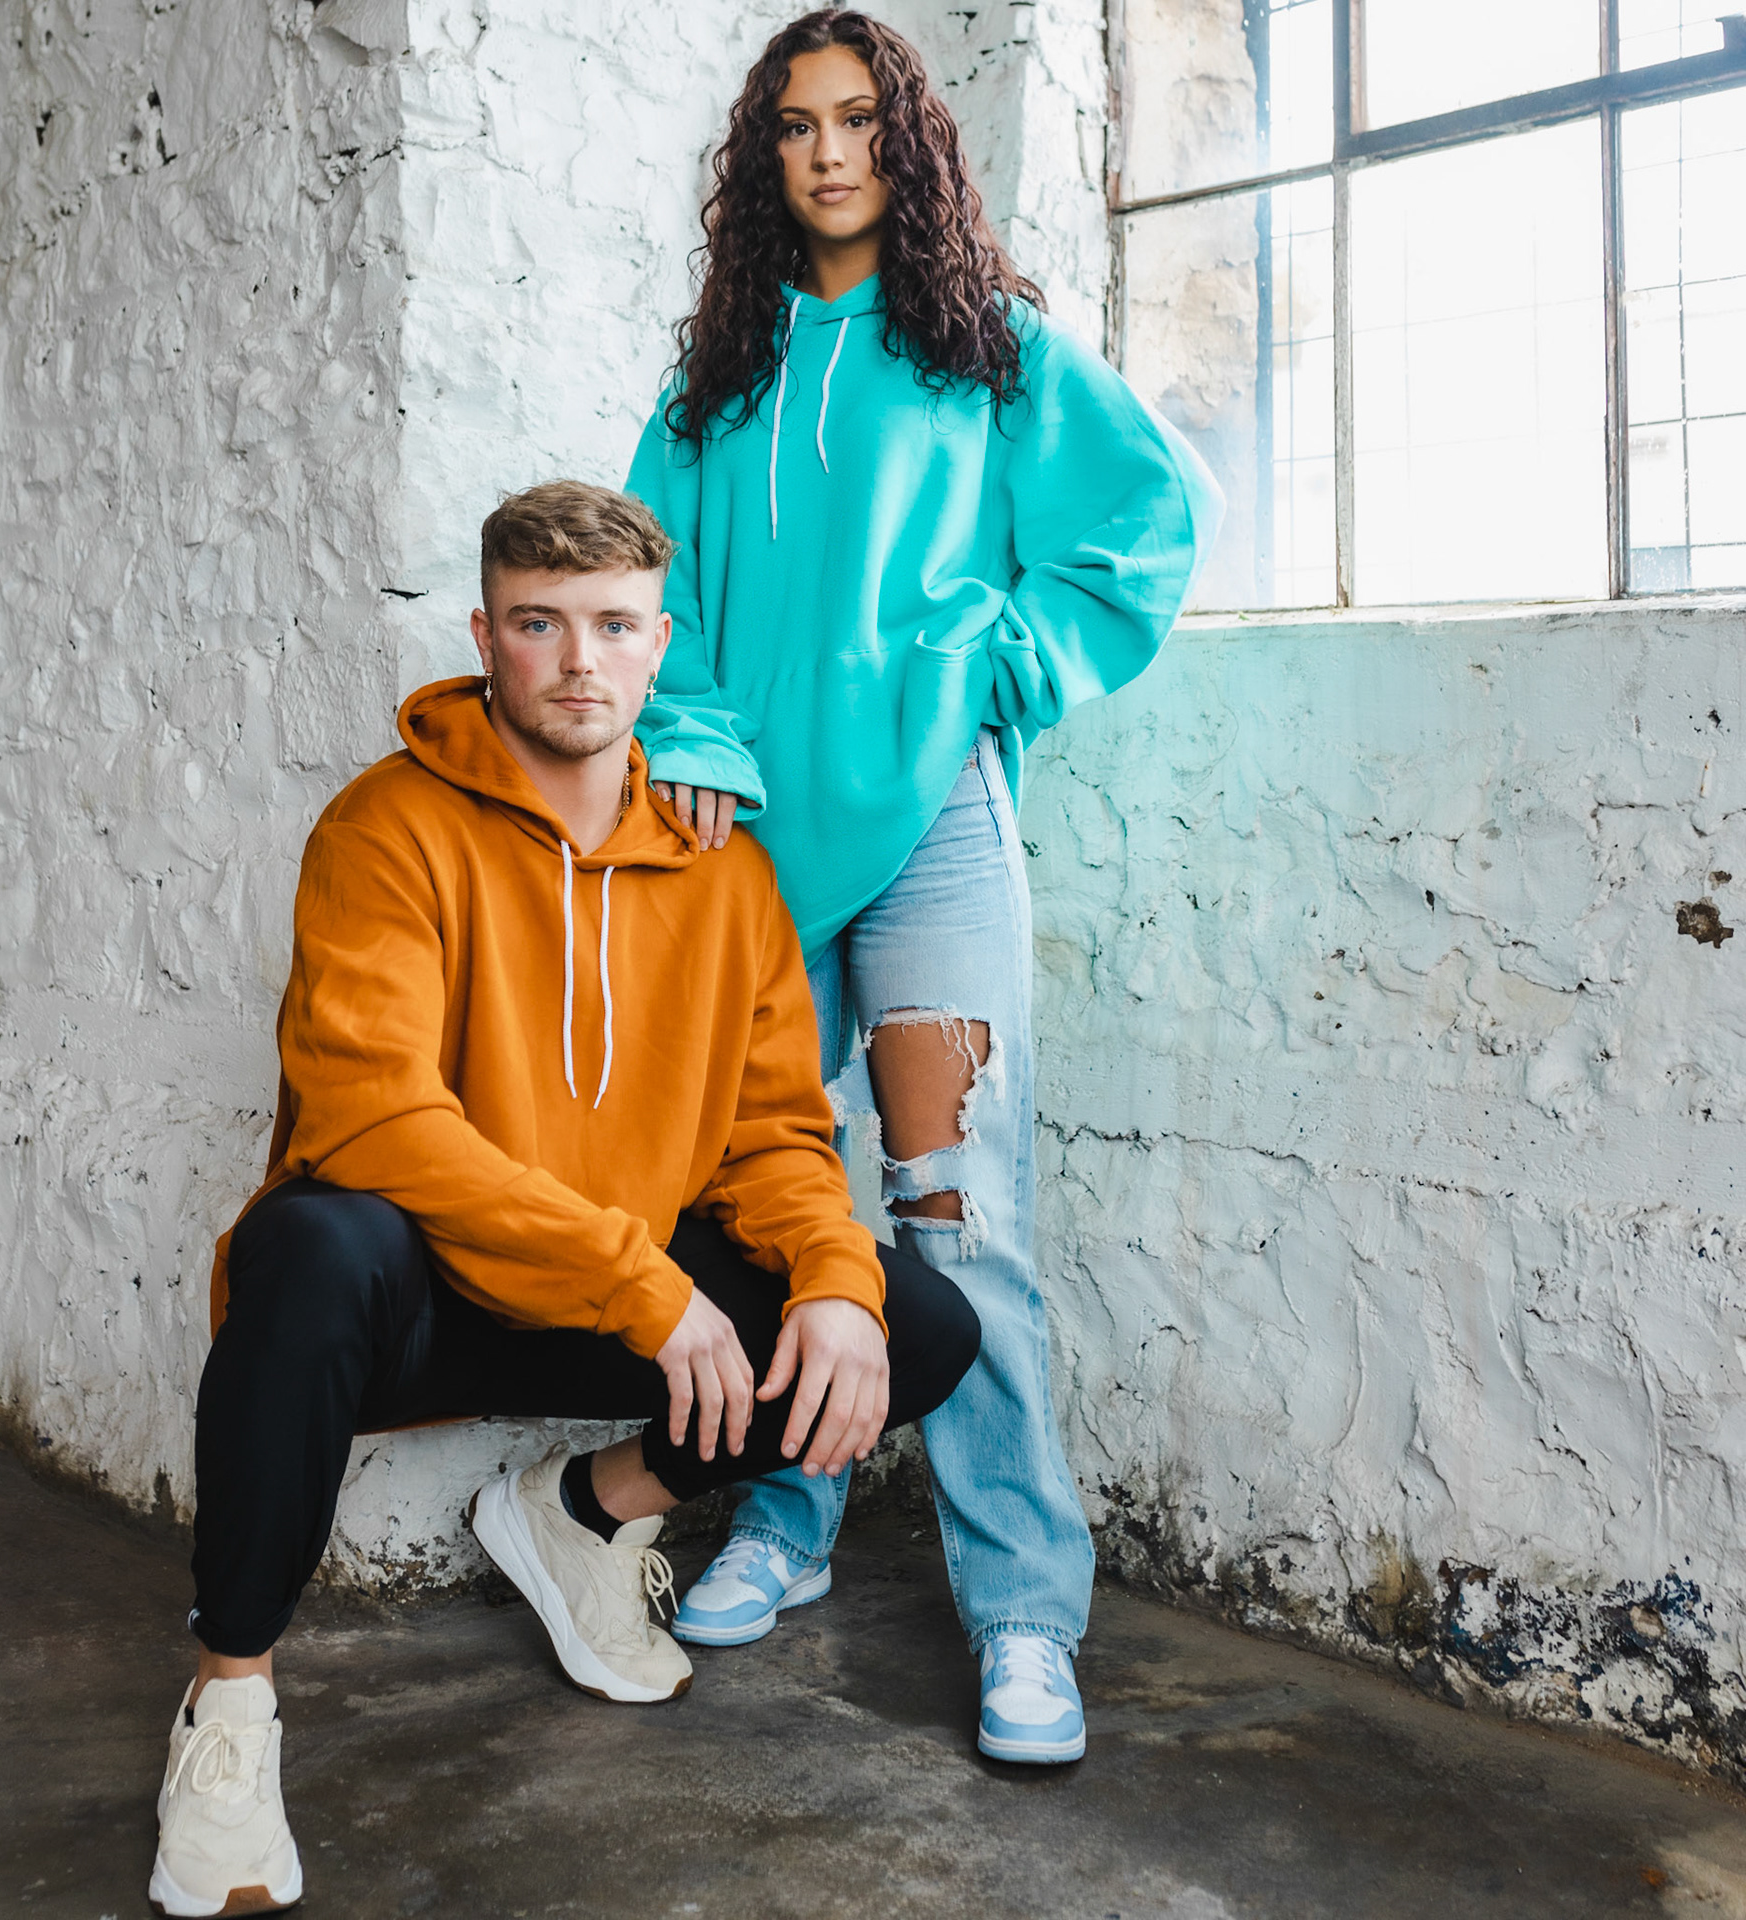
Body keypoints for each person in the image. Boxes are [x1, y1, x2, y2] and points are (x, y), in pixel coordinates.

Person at [147, 480, 979, 1919]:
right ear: (486, 639)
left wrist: (835, 1282)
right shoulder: (386, 828)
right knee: (308, 1243)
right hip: (425, 1306)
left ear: (659, 645)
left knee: (916, 1322)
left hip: (615, 1312)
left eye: (612, 626)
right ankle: (228, 1705)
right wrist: (644, 1288)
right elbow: (375, 1116)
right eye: (538, 625)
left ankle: (586, 1515)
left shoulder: (726, 878)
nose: (579, 660)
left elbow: (773, 1135)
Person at [626, 10, 1222, 1766]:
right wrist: (697, 738)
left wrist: (994, 670)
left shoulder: (988, 347)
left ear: (909, 142)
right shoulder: (715, 379)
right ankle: (788, 1517)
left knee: (959, 1215)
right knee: (765, 1207)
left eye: (859, 120)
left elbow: (1142, 522)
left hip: (936, 834)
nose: (829, 152)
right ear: (765, 157)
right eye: (797, 125)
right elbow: (650, 591)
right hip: (750, 849)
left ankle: (1024, 1612)